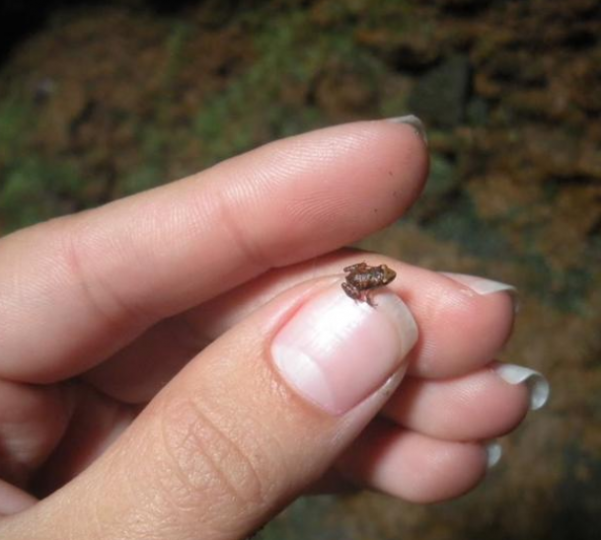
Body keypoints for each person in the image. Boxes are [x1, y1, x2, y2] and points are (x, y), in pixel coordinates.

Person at [0, 116, 548, 539]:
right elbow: (352, 281)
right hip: (346, 296)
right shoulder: (362, 282)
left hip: (354, 289)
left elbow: (363, 278)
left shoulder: (373, 278)